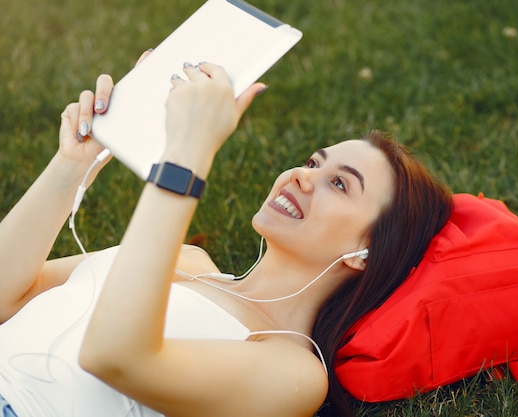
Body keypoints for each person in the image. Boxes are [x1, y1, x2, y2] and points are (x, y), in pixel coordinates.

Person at [0, 53, 453, 417]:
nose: (300, 175)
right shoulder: (187, 262)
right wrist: (72, 165)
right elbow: (9, 299)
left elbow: (115, 356)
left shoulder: (295, 371)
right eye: (314, 163)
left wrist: (188, 151)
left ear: (366, 252)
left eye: (339, 183)